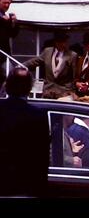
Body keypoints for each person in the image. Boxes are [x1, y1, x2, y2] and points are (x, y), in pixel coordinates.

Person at [0, 67, 50, 197]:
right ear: (29, 89)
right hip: (25, 187)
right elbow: (42, 157)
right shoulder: (38, 115)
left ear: (7, 86)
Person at [23, 31, 78, 99]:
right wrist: (20, 66)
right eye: (60, 42)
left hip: (64, 92)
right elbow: (35, 61)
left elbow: (75, 75)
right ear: (55, 42)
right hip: (48, 91)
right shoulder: (47, 52)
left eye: (64, 42)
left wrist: (72, 91)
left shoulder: (72, 55)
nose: (63, 44)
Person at [0, 0, 19, 87]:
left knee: (9, 76)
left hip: (4, 54)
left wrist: (14, 23)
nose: (7, 5)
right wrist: (4, 21)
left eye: (9, 3)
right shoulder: (2, 18)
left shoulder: (5, 17)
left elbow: (12, 34)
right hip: (1, 53)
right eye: (4, 3)